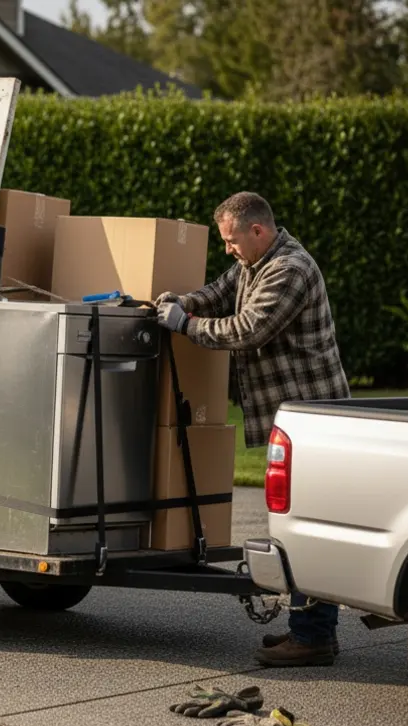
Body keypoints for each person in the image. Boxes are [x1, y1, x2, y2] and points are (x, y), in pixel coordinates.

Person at [155, 191, 350, 668]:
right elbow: (220, 292)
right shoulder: (254, 262)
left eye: (230, 240)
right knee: (300, 522)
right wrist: (180, 302)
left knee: (306, 526)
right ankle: (311, 629)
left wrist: (184, 324)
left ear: (257, 231)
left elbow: (247, 329)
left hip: (314, 420)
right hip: (295, 419)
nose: (228, 249)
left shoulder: (290, 270)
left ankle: (313, 637)